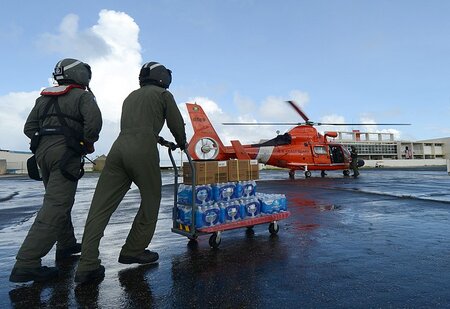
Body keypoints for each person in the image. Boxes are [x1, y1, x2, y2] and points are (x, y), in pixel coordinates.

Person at [74, 61, 186, 284]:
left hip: (118, 150)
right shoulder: (163, 95)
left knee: (100, 207)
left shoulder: (131, 96)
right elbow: (176, 123)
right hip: (142, 150)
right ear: (163, 78)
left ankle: (87, 264)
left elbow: (137, 126)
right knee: (151, 199)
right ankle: (133, 249)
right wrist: (182, 142)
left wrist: (160, 139)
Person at [10, 58, 102, 283]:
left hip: (43, 154)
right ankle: (27, 262)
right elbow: (94, 124)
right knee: (57, 204)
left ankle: (66, 244)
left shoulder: (43, 98)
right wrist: (87, 142)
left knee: (57, 199)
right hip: (66, 154)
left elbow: (29, 128)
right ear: (80, 75)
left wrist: (45, 141)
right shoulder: (83, 96)